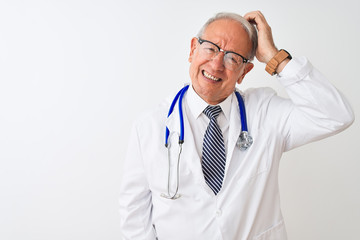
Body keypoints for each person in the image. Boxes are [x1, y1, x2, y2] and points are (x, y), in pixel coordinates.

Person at [119, 11, 354, 240]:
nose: (217, 64)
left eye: (233, 57)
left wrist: (275, 57)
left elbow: (336, 115)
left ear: (245, 71)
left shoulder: (265, 112)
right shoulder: (149, 126)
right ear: (193, 49)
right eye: (210, 48)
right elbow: (134, 215)